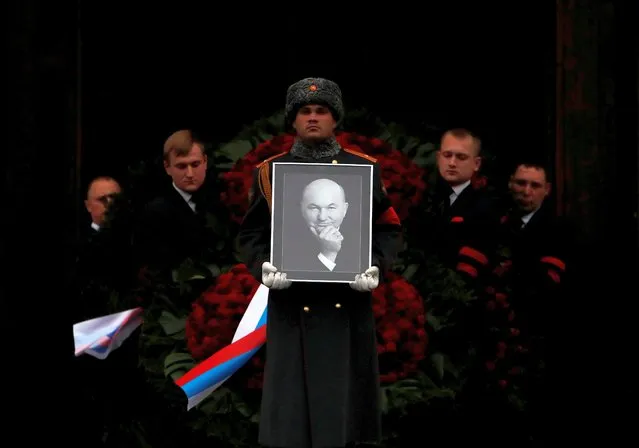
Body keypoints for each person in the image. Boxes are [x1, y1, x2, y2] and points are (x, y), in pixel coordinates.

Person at [237, 77, 403, 448]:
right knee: (291, 423)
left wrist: (375, 265)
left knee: (343, 422)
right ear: (293, 120)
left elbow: (389, 229)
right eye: (305, 111)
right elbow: (250, 235)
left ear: (335, 118)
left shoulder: (364, 170)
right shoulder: (270, 172)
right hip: (292, 306)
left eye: (321, 111)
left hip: (348, 308)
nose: (313, 117)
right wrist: (263, 266)